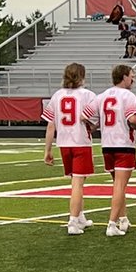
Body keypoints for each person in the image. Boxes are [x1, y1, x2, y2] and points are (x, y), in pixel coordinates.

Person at [42, 62, 97, 236]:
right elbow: (91, 120)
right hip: (80, 141)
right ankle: (72, 221)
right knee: (78, 183)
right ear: (81, 76)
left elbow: (51, 125)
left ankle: (79, 215)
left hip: (64, 142)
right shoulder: (88, 95)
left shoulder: (57, 95)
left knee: (76, 181)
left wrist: (47, 150)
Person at [85, 64, 136, 237]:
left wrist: (96, 125)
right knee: (120, 186)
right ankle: (111, 223)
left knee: (118, 185)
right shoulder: (128, 96)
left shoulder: (102, 96)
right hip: (123, 143)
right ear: (124, 77)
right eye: (131, 75)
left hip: (107, 144)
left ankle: (123, 219)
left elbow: (86, 117)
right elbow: (132, 119)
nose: (133, 79)